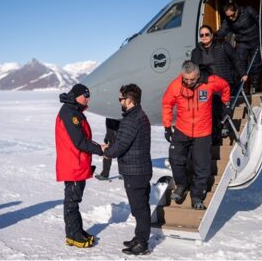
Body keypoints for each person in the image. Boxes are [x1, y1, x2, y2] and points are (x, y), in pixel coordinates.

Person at [162, 60, 230, 210]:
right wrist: (167, 127)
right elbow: (167, 104)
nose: (189, 82)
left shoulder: (210, 81)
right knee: (175, 159)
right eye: (186, 79)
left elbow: (225, 86)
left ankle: (197, 196)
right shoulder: (175, 85)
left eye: (192, 79)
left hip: (202, 132)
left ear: (198, 75)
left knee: (202, 167)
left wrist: (226, 105)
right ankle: (181, 185)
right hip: (182, 129)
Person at [55, 83, 106, 248]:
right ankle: (73, 235)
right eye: (85, 95)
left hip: (77, 162)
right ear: (76, 95)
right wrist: (99, 149)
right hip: (73, 164)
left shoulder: (73, 111)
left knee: (74, 199)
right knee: (72, 201)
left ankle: (76, 231)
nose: (88, 98)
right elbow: (79, 142)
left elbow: (81, 139)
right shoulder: (70, 114)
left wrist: (98, 147)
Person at [104, 84, 152, 255]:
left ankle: (142, 243)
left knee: (139, 209)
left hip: (135, 171)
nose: (120, 102)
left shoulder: (131, 120)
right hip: (140, 169)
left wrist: (107, 152)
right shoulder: (139, 115)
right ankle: (140, 237)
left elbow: (121, 145)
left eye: (121, 99)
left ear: (129, 100)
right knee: (141, 207)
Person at [191, 24, 246, 138]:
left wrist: (242, 73)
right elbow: (193, 69)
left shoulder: (223, 45)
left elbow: (235, 58)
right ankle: (214, 133)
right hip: (205, 83)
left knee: (221, 105)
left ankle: (225, 125)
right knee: (208, 108)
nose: (204, 37)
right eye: (202, 35)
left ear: (211, 35)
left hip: (223, 81)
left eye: (207, 34)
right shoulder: (196, 52)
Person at [216, 0, 262, 94]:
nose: (231, 18)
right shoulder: (228, 20)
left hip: (255, 40)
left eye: (232, 15)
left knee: (256, 65)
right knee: (240, 65)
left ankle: (255, 86)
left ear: (236, 9)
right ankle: (241, 88)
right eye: (228, 16)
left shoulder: (248, 11)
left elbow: (260, 21)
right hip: (242, 43)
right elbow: (223, 31)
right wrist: (214, 37)